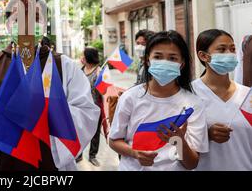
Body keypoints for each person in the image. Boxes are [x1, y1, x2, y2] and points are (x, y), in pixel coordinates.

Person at [0, 0, 99, 171]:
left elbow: (86, 111)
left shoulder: (64, 65)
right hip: (1, 163)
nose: (27, 25)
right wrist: (7, 124)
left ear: (45, 24)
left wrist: (42, 115)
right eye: (19, 19)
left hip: (49, 165)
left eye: (35, 17)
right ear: (8, 25)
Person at [108, 31, 209, 171]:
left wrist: (179, 142)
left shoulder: (193, 104)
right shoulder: (130, 97)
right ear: (148, 60)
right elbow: (114, 140)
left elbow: (192, 163)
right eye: (158, 57)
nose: (164, 62)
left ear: (182, 63)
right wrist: (135, 153)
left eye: (172, 58)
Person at [193, 29, 252, 171]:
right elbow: (174, 143)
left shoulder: (248, 95)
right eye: (222, 49)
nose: (229, 54)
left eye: (232, 49)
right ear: (203, 56)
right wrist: (205, 136)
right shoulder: (189, 94)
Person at [76, 47, 102, 166]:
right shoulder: (80, 70)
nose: (82, 58)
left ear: (88, 57)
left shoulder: (98, 71)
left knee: (95, 133)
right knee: (80, 131)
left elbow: (104, 91)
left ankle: (92, 156)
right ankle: (79, 154)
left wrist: (100, 79)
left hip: (95, 107)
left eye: (83, 55)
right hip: (81, 107)